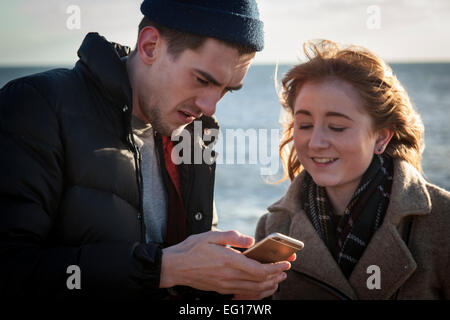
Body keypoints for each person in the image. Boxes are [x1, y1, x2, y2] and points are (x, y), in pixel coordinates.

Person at [0, 0, 292, 300]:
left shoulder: (195, 136)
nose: (210, 107)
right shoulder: (36, 105)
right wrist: (162, 268)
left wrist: (229, 288)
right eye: (203, 80)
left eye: (225, 90)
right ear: (150, 46)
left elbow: (182, 275)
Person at [255, 40, 450, 299]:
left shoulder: (442, 221)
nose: (316, 143)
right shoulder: (273, 229)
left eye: (336, 127)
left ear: (381, 137)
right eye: (304, 125)